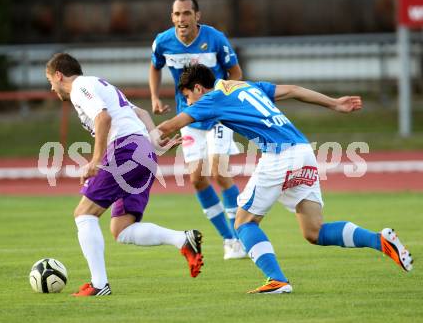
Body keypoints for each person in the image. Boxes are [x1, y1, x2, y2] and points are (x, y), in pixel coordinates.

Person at [154, 64, 414, 294]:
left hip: (280, 156)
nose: (189, 103)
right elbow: (293, 90)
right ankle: (379, 240)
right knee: (315, 232)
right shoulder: (245, 86)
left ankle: (277, 280)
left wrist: (140, 144)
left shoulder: (211, 98)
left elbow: (169, 126)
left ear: (198, 88)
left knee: (243, 224)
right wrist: (334, 103)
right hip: (304, 151)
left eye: (187, 97)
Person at [45, 53, 204, 297]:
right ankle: (182, 240)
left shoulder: (80, 86)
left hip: (124, 149)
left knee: (83, 214)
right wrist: (155, 140)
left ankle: (99, 285)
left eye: (50, 81)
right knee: (122, 229)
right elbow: (139, 112)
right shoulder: (100, 84)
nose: (51, 87)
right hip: (143, 152)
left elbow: (103, 117)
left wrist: (96, 160)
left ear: (58, 75)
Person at [149, 0, 246, 259]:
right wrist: (155, 97)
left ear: (197, 16)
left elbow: (236, 72)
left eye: (187, 13)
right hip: (189, 118)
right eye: (177, 14)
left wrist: (223, 96)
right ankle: (229, 240)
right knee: (197, 178)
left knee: (218, 172)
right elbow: (155, 66)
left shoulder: (215, 39)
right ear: (172, 17)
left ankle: (241, 235)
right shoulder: (163, 42)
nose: (182, 19)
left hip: (218, 115)